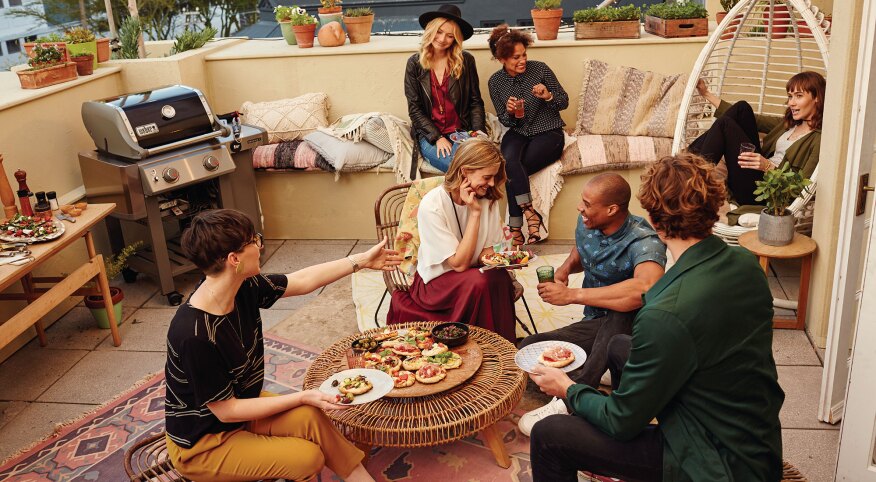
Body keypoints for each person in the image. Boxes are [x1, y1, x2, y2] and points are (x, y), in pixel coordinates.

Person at [528, 154, 785, 482]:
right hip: (758, 443)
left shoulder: (663, 313)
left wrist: (568, 389)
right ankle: (623, 459)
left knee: (550, 434)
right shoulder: (746, 264)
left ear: (652, 218)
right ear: (714, 204)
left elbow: (620, 420)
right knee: (620, 345)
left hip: (713, 462)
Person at [164, 209, 401, 482]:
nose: (260, 245)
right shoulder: (194, 335)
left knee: (311, 416)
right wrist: (301, 395)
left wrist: (360, 260)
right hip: (204, 443)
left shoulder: (243, 286)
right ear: (234, 259)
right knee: (307, 457)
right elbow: (226, 411)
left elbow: (301, 281)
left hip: (243, 408)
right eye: (254, 240)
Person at [516, 173, 666, 437]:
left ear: (611, 209)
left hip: (631, 331)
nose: (579, 208)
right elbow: (582, 249)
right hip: (594, 322)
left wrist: (572, 295)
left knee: (621, 314)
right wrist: (564, 269)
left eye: (586, 203)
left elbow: (644, 289)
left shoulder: (644, 240)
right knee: (528, 351)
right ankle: (602, 366)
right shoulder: (588, 221)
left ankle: (570, 397)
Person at [386, 138, 517, 342]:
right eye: (487, 177)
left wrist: (505, 260)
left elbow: (486, 253)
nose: (492, 183)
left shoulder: (488, 198)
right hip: (436, 285)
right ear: (465, 171)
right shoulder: (433, 204)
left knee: (499, 277)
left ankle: (500, 348)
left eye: (494, 177)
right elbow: (459, 264)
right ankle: (479, 344)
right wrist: (474, 214)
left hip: (473, 276)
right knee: (481, 281)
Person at [689, 71, 825, 209]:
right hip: (753, 173)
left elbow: (802, 186)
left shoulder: (819, 139)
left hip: (766, 192)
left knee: (725, 124)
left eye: (799, 96)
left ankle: (690, 173)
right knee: (742, 108)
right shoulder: (788, 124)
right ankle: (688, 165)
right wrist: (706, 93)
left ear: (817, 98)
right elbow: (752, 118)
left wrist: (767, 166)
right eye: (790, 96)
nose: (791, 103)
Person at [487, 24, 569, 246]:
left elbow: (563, 101)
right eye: (515, 57)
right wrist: (511, 112)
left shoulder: (540, 69)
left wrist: (548, 95)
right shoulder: (495, 82)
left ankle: (515, 227)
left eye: (524, 55)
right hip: (518, 131)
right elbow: (504, 119)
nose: (522, 60)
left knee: (512, 172)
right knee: (508, 162)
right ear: (502, 58)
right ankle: (531, 214)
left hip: (549, 132)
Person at [404, 4, 485, 173]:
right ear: (430, 31)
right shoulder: (414, 64)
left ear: (455, 39)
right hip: (430, 135)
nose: (442, 39)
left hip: (461, 131)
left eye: (449, 36)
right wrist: (437, 137)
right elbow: (415, 108)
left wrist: (478, 132)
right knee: (462, 170)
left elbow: (475, 102)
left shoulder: (466, 61)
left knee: (480, 164)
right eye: (439, 32)